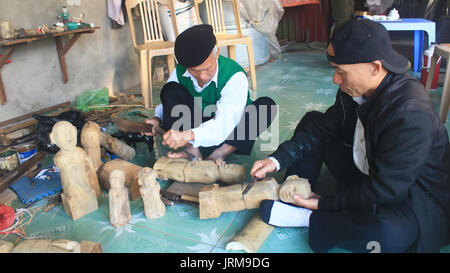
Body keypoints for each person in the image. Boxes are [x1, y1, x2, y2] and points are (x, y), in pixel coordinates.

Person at [250, 18, 450, 253]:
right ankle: (296, 189)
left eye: (341, 72)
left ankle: (307, 216)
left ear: (374, 67)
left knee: (387, 235)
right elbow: (326, 127)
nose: (336, 79)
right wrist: (276, 160)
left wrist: (324, 203)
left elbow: (387, 189)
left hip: (409, 196)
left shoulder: (410, 113)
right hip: (366, 170)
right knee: (313, 122)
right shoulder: (355, 87)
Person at [144, 24, 276, 164]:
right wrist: (157, 118)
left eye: (208, 68)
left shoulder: (234, 75)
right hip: (198, 125)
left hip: (232, 130)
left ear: (217, 53)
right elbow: (168, 102)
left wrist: (188, 134)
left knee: (266, 107)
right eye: (195, 71)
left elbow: (225, 124)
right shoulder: (181, 71)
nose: (203, 76)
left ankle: (219, 154)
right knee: (170, 89)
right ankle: (191, 150)